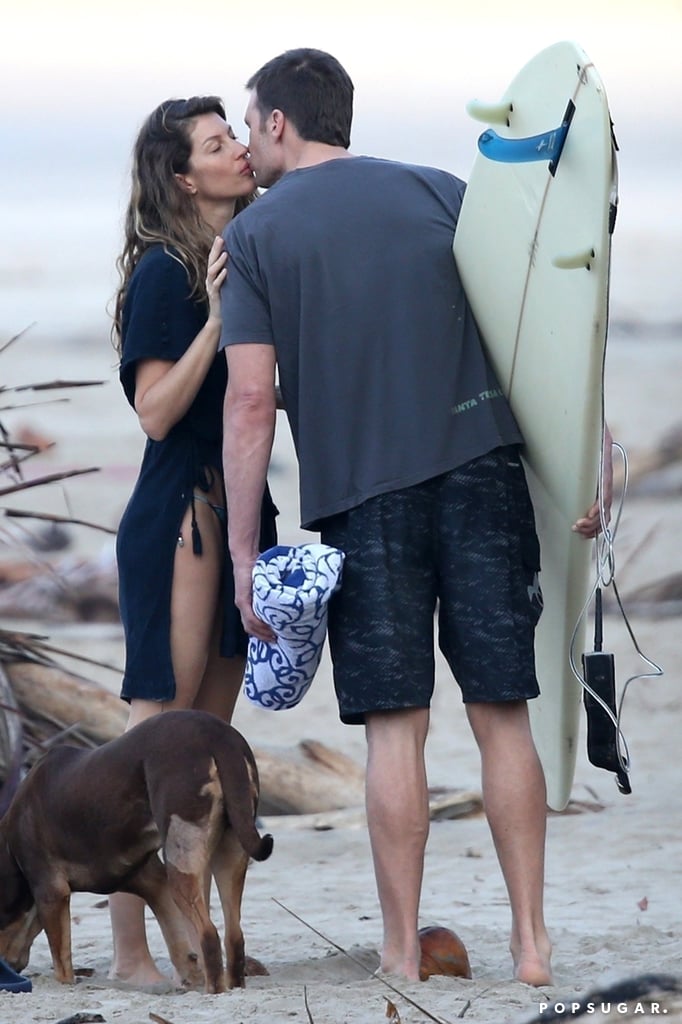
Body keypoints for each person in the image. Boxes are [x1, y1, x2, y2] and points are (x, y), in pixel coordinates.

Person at [219, 49, 610, 987]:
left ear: (279, 123)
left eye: (249, 121)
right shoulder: (441, 190)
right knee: (502, 716)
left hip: (365, 497)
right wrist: (582, 455)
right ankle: (531, 945)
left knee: (395, 729)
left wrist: (243, 550)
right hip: (484, 471)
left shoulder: (260, 235)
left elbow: (248, 402)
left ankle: (399, 951)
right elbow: (543, 320)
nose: (244, 140)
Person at [109, 95, 277, 988]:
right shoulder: (166, 277)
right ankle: (130, 954)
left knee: (205, 751)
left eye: (235, 135)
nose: (239, 150)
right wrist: (216, 321)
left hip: (236, 510)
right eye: (218, 144)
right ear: (184, 176)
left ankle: (193, 936)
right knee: (159, 741)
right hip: (177, 515)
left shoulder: (241, 258)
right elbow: (155, 412)